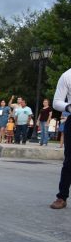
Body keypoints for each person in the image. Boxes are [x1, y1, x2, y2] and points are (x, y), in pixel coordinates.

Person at [50, 68, 71, 209]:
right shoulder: (67, 75)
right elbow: (56, 102)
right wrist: (69, 106)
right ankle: (62, 197)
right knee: (69, 160)